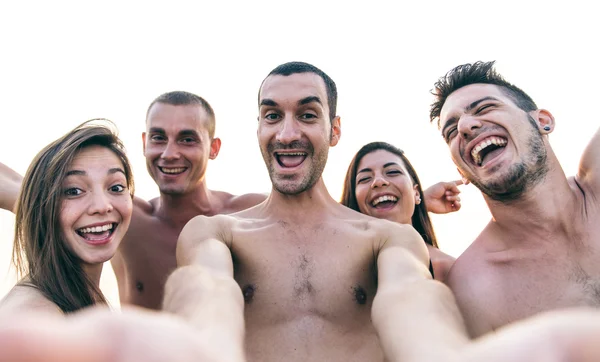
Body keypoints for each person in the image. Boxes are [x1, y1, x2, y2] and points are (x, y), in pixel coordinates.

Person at [165, 61, 467, 362]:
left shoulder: (388, 239)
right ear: (258, 127)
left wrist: (438, 350)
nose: (286, 134)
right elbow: (208, 292)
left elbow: (408, 294)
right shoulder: (215, 233)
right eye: (272, 116)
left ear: (334, 131)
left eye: (307, 115)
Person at [0, 91, 267, 310]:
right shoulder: (119, 216)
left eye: (187, 139)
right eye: (158, 138)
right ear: (144, 143)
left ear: (214, 148)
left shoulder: (251, 215)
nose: (169, 153)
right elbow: (21, 189)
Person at [429, 60, 600, 337]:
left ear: (542, 121)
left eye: (484, 108)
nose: (466, 126)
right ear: (461, 171)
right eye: (451, 131)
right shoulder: (475, 286)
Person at [0, 120, 134, 314]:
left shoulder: (82, 294)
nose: (103, 206)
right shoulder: (33, 315)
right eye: (73, 190)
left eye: (116, 187)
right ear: (42, 207)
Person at [340, 141, 460, 282]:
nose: (378, 181)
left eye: (392, 172)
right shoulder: (343, 270)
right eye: (365, 178)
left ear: (416, 192)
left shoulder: (451, 271)